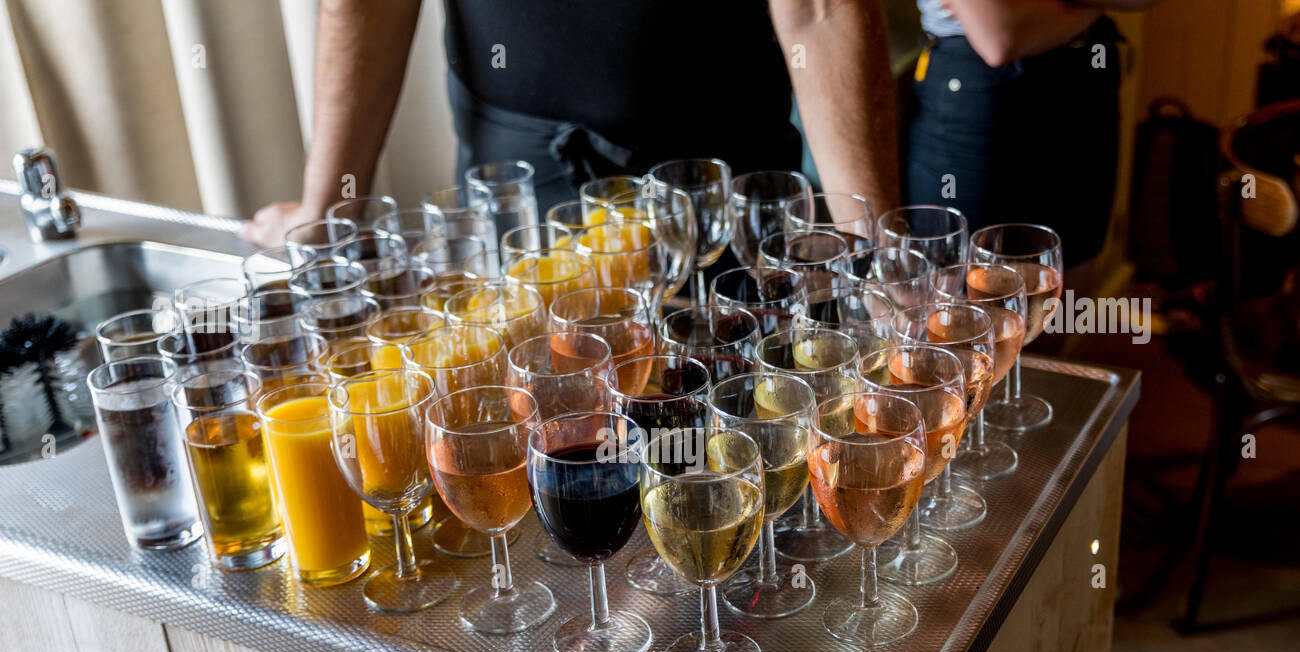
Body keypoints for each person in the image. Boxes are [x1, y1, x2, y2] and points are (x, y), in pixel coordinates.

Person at [244, 0, 900, 247]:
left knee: (743, 478)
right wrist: (327, 210)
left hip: (730, 197)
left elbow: (822, 9)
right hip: (520, 203)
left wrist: (875, 248)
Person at [906, 0, 1165, 267]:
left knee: (1069, 269)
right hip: (982, 94)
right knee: (968, 282)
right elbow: (1000, 34)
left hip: (1089, 68)